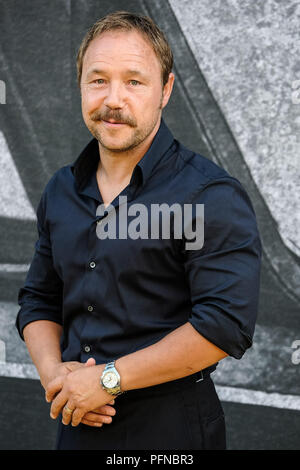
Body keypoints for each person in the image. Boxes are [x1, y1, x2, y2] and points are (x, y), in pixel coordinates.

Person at [16, 11, 262, 450]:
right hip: (76, 420)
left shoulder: (209, 195)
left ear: (165, 89)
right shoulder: (60, 190)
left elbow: (224, 325)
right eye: (98, 80)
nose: (114, 99)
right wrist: (57, 377)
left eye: (134, 81)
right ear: (80, 85)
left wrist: (108, 380)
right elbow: (38, 299)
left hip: (170, 435)